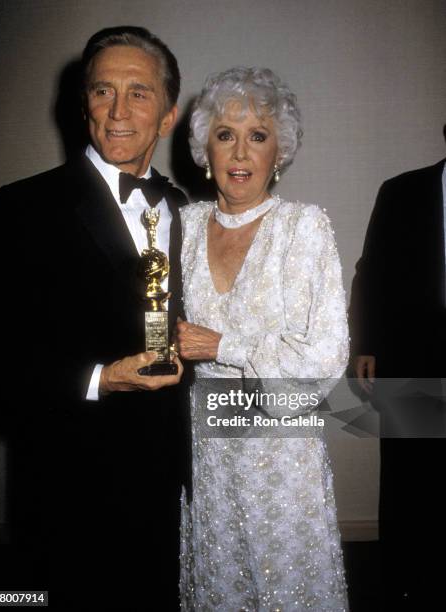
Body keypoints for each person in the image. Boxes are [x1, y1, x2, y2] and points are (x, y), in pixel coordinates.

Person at [0, 26, 189, 609]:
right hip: (68, 492)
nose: (119, 110)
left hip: (169, 491)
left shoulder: (186, 211)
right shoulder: (23, 207)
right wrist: (102, 379)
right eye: (103, 91)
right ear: (83, 106)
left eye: (139, 93)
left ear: (168, 114)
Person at [175, 67, 349, 611]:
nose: (241, 152)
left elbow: (323, 360)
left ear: (280, 153)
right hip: (205, 452)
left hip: (281, 456)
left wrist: (222, 345)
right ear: (206, 150)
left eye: (258, 136)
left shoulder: (304, 227)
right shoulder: (180, 226)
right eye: (226, 135)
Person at [349, 153, 446, 609]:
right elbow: (372, 270)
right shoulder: (402, 190)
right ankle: (403, 585)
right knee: (410, 478)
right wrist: (366, 340)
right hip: (415, 353)